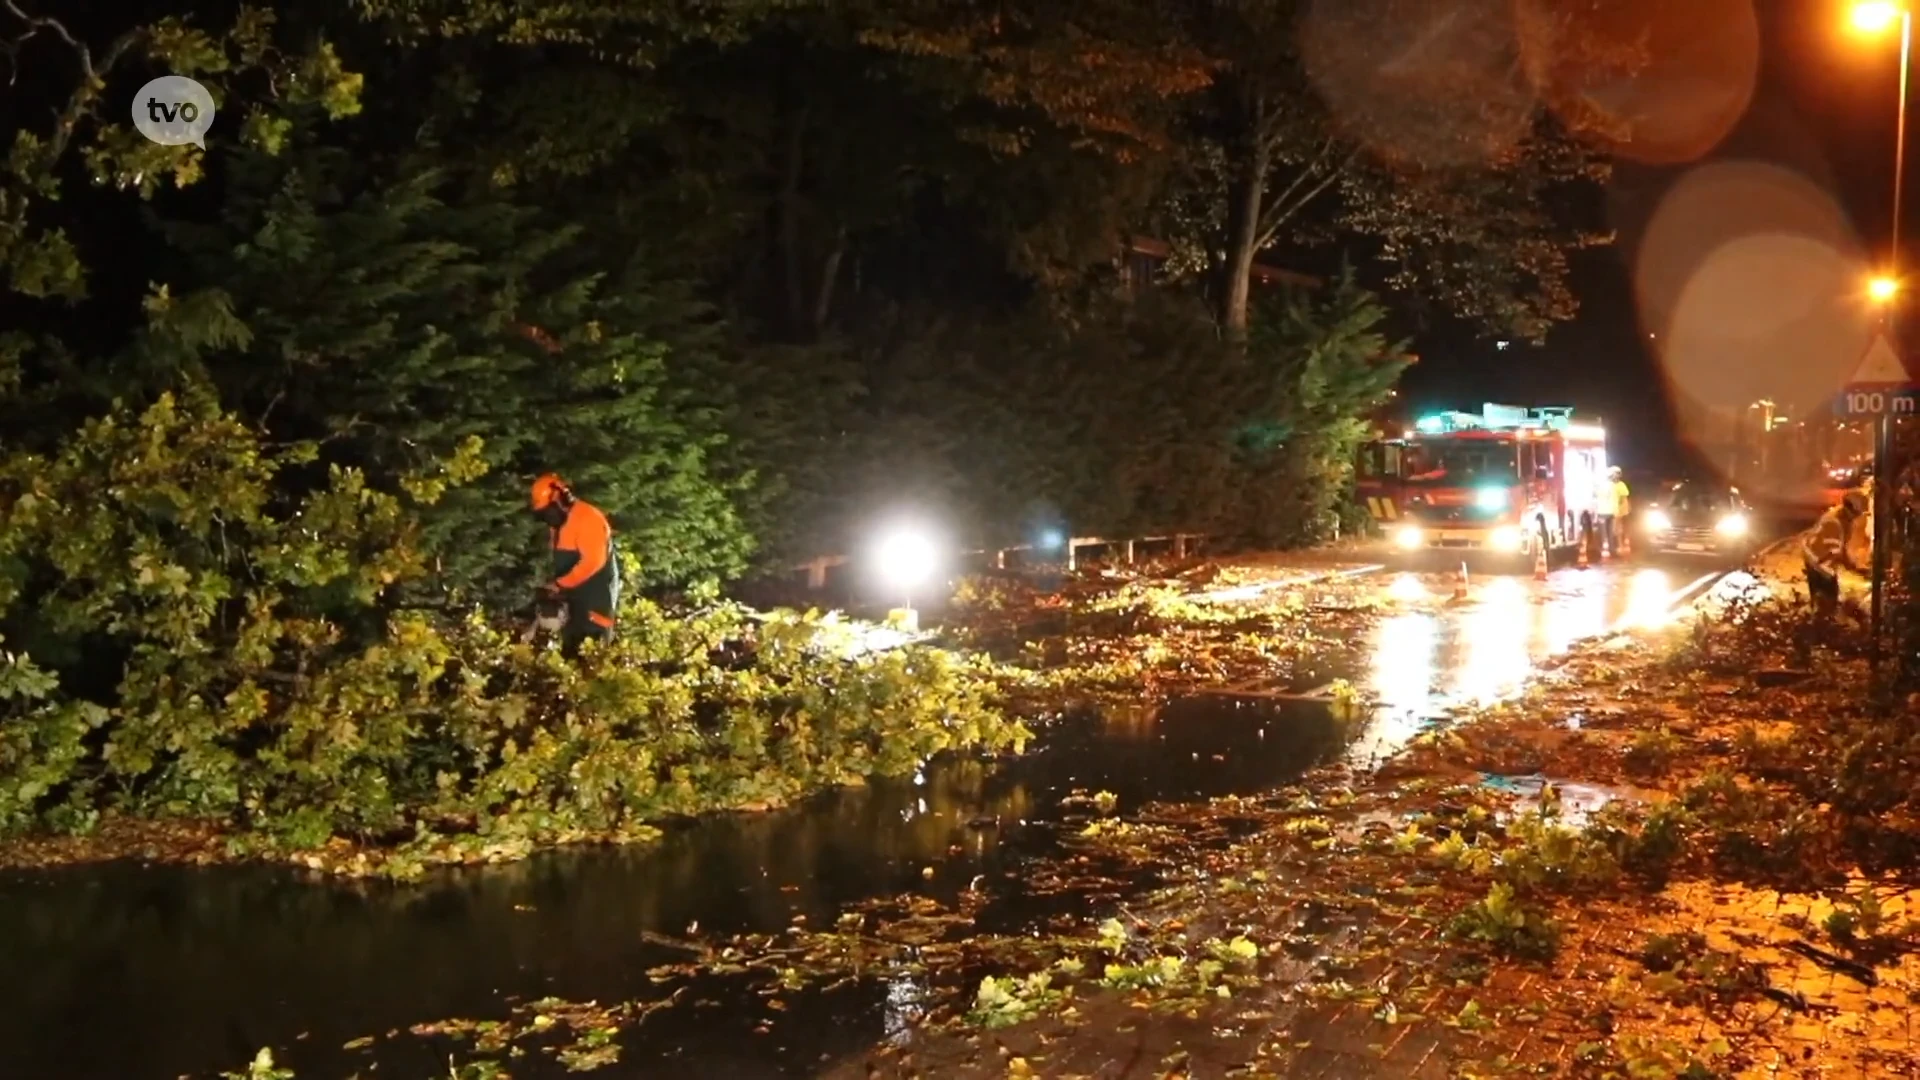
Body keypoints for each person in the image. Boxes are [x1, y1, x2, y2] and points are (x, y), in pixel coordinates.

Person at [529, 473, 620, 657]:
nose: (547, 518)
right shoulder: (558, 526)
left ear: (559, 500)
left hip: (595, 603)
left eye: (548, 511)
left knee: (593, 658)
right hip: (572, 606)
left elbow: (593, 561)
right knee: (570, 657)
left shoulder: (588, 519)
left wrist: (560, 584)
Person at [1594, 466, 1628, 557]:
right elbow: (1620, 499)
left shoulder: (1600, 485)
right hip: (1612, 511)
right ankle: (1611, 549)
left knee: (1603, 532)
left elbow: (1595, 495)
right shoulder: (1614, 485)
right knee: (1610, 532)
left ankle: (1605, 549)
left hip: (1602, 511)